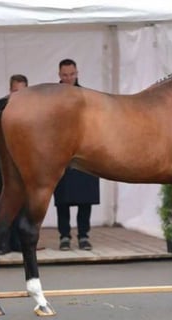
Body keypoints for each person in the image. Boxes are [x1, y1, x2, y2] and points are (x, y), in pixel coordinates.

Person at [54, 59, 100, 251]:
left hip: (84, 151)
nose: (68, 78)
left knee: (85, 197)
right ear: (59, 75)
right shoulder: (52, 96)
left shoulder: (86, 96)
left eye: (72, 74)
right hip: (61, 152)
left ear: (77, 73)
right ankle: (64, 236)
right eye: (65, 75)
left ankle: (83, 236)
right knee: (62, 198)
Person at [0, 74, 29, 254]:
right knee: (6, 200)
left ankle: (19, 242)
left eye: (23, 92)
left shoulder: (35, 113)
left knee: (25, 203)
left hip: (26, 163)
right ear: (10, 91)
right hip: (6, 161)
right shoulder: (4, 110)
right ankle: (2, 243)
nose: (19, 96)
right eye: (16, 91)